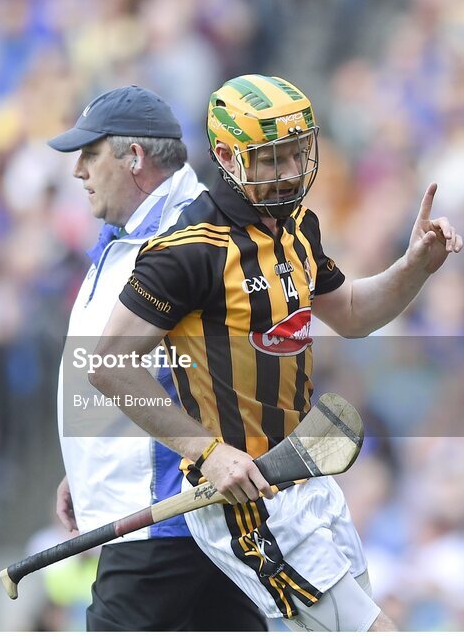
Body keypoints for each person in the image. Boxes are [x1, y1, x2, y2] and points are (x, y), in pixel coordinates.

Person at [89, 74, 463, 631]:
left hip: (308, 476)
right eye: (269, 160)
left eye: (296, 154)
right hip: (248, 499)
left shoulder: (296, 230)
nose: (289, 171)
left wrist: (414, 268)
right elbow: (106, 366)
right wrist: (207, 453)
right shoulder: (186, 252)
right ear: (225, 155)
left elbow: (355, 313)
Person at [48, 85, 267, 630]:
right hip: (165, 513)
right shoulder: (132, 232)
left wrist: (208, 455)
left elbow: (195, 367)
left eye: (90, 154)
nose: (78, 171)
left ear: (134, 158)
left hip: (165, 517)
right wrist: (87, 462)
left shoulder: (185, 233)